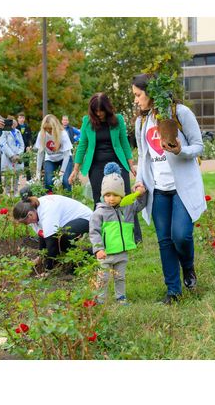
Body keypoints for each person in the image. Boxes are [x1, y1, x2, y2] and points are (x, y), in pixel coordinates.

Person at [131, 74, 206, 304]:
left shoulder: (179, 113)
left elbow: (199, 147)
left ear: (150, 93)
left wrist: (179, 151)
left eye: (138, 95)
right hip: (158, 190)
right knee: (164, 241)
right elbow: (144, 155)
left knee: (181, 236)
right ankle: (173, 291)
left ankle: (188, 266)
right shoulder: (141, 122)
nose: (136, 100)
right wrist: (140, 181)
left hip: (182, 187)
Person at [68, 93, 142, 243]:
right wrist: (75, 169)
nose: (99, 114)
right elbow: (82, 145)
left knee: (126, 198)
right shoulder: (87, 122)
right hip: (96, 166)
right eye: (96, 111)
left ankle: (135, 236)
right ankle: (104, 237)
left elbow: (124, 142)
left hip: (118, 163)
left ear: (107, 109)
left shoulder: (118, 120)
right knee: (100, 200)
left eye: (102, 110)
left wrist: (131, 164)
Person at [89, 162, 147, 305]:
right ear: (103, 195)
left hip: (122, 252)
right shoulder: (100, 212)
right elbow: (94, 232)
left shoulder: (127, 208)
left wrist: (140, 195)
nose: (111, 198)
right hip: (106, 253)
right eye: (107, 195)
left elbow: (140, 205)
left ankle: (121, 297)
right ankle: (100, 299)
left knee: (120, 277)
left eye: (115, 195)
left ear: (122, 194)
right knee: (103, 277)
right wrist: (98, 249)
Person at [13, 188, 93, 270]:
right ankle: (67, 259)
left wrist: (48, 269)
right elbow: (43, 236)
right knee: (59, 241)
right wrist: (40, 257)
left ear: (30, 215)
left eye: (24, 222)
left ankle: (86, 256)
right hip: (67, 221)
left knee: (63, 237)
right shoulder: (33, 211)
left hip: (85, 218)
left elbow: (51, 244)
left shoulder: (47, 212)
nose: (25, 224)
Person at [35, 114, 73, 192]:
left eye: (50, 129)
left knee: (66, 181)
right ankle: (50, 201)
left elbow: (66, 155)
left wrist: (61, 174)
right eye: (46, 129)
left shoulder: (63, 134)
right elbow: (40, 153)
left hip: (64, 158)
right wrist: (38, 171)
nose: (48, 131)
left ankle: (68, 200)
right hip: (50, 159)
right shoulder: (42, 134)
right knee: (49, 182)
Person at [0, 116, 25, 197]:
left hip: (17, 157)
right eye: (12, 123)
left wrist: (18, 154)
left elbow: (22, 144)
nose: (14, 124)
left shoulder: (18, 132)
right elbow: (3, 144)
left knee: (16, 175)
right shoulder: (5, 132)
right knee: (8, 174)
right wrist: (11, 155)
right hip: (8, 157)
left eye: (15, 123)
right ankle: (7, 193)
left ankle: (15, 192)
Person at [16, 112, 33, 181]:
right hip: (17, 148)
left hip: (26, 148)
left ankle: (29, 179)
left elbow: (30, 138)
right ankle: (17, 179)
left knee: (26, 163)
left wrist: (30, 146)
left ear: (24, 118)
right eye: (20, 118)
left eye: (23, 118)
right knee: (17, 163)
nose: (21, 119)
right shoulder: (15, 127)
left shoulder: (27, 127)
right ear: (18, 119)